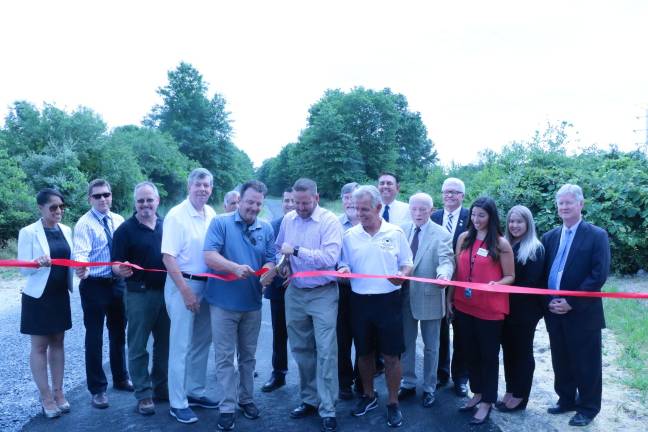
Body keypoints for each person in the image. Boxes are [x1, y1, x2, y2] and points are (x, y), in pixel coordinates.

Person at [204, 180, 276, 431]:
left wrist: (269, 271)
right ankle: (227, 406)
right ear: (239, 200)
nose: (253, 207)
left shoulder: (265, 228)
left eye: (258, 203)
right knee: (224, 357)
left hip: (252, 304)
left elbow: (270, 259)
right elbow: (209, 256)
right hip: (223, 304)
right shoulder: (220, 223)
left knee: (248, 357)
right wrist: (234, 267)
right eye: (249, 202)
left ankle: (247, 399)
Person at [338, 185, 413, 428]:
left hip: (388, 301)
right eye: (356, 209)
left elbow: (407, 263)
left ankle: (393, 402)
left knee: (391, 355)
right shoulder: (350, 236)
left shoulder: (396, 232)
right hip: (359, 301)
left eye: (365, 209)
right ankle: (368, 395)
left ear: (379, 208)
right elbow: (343, 264)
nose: (360, 214)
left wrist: (402, 274)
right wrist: (344, 270)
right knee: (364, 353)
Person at [275, 178, 343, 432]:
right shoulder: (288, 219)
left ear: (316, 197)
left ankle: (328, 408)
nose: (300, 207)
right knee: (301, 349)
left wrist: (296, 251)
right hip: (295, 291)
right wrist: (282, 265)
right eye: (296, 202)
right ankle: (309, 400)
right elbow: (280, 249)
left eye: (305, 202)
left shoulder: (329, 221)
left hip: (323, 292)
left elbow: (330, 258)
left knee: (326, 351)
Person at [542, 184, 610, 427]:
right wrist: (549, 302)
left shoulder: (597, 235)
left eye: (569, 202)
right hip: (553, 310)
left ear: (581, 204)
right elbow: (542, 273)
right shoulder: (549, 237)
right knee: (561, 359)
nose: (564, 207)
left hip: (582, 313)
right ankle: (566, 399)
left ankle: (588, 407)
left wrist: (571, 302)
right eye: (560, 202)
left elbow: (598, 274)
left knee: (586, 362)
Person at [448, 196, 514, 425]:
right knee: (469, 352)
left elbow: (510, 276)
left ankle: (487, 400)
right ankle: (476, 392)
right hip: (464, 305)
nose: (476, 219)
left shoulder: (500, 243)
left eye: (482, 215)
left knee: (488, 356)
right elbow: (456, 272)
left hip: (489, 308)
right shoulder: (464, 238)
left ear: (491, 217)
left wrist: (498, 284)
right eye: (473, 215)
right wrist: (449, 299)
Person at [161, 168, 219, 424]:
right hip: (183, 285)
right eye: (198, 184)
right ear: (189, 186)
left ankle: (195, 392)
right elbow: (168, 257)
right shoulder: (176, 215)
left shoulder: (211, 214)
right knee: (181, 345)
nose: (203, 189)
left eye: (207, 185)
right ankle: (177, 402)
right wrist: (185, 292)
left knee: (201, 342)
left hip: (208, 286)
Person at [111, 182, 170, 416]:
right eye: (140, 201)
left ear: (157, 201)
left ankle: (162, 388)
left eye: (149, 200)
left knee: (165, 344)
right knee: (137, 346)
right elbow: (114, 263)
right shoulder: (125, 230)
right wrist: (119, 269)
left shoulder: (168, 225)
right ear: (135, 203)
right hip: (138, 295)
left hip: (167, 294)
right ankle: (144, 395)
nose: (145, 204)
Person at [73, 179, 131, 409]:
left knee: (118, 334)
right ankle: (97, 389)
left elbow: (127, 249)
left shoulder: (119, 220)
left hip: (117, 284)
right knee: (94, 338)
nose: (102, 199)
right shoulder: (83, 224)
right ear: (90, 199)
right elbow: (80, 254)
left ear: (111, 195)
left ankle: (121, 378)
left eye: (106, 194)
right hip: (94, 285)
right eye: (97, 196)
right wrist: (81, 266)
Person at [18, 188, 74, 418]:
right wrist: (35, 263)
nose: (58, 211)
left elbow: (70, 260)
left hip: (60, 294)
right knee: (40, 347)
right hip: (38, 298)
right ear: (40, 208)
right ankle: (46, 398)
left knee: (58, 343)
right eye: (53, 207)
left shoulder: (67, 230)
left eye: (61, 206)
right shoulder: (28, 232)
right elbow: (22, 268)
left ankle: (59, 394)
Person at [398, 193, 454, 408]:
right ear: (409, 209)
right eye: (414, 209)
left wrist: (444, 276)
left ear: (432, 210)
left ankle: (429, 387)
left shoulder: (442, 234)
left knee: (432, 347)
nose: (418, 213)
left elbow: (446, 260)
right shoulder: (400, 230)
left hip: (430, 296)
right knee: (407, 344)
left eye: (423, 209)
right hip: (403, 298)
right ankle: (409, 382)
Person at [497, 205, 545, 412]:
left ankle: (520, 395)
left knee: (522, 352)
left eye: (519, 221)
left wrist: (499, 287)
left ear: (528, 224)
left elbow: (531, 284)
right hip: (506, 309)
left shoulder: (535, 248)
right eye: (511, 221)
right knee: (508, 351)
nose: (514, 225)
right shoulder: (506, 244)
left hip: (525, 311)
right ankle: (510, 390)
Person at [431, 177, 470, 396]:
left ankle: (461, 377)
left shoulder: (471, 218)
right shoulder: (434, 217)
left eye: (455, 192)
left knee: (462, 332)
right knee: (440, 331)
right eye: (446, 191)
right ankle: (441, 373)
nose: (450, 195)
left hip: (463, 284)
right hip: (438, 282)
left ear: (462, 196)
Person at [261, 187, 295, 393]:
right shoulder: (271, 227)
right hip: (278, 289)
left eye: (293, 200)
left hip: (302, 288)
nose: (290, 205)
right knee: (279, 333)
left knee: (305, 336)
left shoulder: (304, 226)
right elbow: (268, 254)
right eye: (286, 200)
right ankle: (279, 373)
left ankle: (312, 378)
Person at [336, 182, 359, 400]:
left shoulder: (373, 223)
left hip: (365, 291)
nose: (350, 201)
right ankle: (344, 383)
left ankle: (362, 382)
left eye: (354, 197)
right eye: (346, 197)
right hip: (340, 291)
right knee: (341, 340)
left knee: (364, 340)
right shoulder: (333, 224)